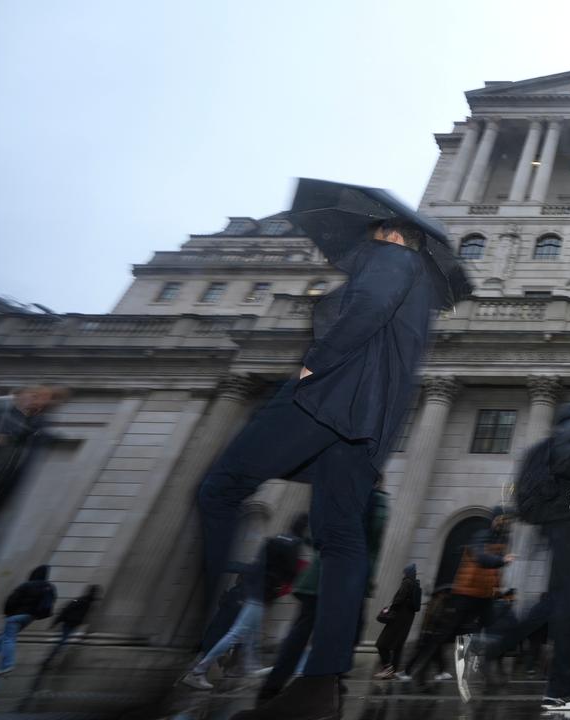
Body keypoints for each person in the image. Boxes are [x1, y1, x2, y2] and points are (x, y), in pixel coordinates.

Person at [198, 217, 440, 719]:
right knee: (341, 539)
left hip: (326, 396)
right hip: (367, 424)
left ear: (394, 235)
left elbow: (369, 306)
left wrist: (318, 359)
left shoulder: (393, 258)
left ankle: (206, 626)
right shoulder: (423, 291)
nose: (365, 245)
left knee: (219, 489)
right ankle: (322, 682)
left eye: (373, 236)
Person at [474, 387, 570, 712]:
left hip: (560, 519)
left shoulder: (567, 428)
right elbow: (568, 463)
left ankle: (491, 645)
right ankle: (562, 689)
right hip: (566, 520)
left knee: (556, 601)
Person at [255, 479, 388, 705]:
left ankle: (273, 685)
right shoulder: (376, 501)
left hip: (319, 574)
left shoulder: (341, 496)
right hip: (346, 579)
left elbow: (315, 535)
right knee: (346, 634)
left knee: (301, 633)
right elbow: (373, 541)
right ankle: (327, 683)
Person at [182, 515, 308, 689]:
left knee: (250, 635)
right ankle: (198, 671)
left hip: (254, 590)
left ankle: (251, 669)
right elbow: (291, 572)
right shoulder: (294, 544)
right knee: (237, 633)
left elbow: (258, 565)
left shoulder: (275, 539)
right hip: (262, 593)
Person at [404, 507, 513, 687]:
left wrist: (497, 587)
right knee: (444, 634)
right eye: (502, 519)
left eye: (507, 520)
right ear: (495, 519)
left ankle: (489, 674)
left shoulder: (501, 540)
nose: (505, 523)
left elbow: (493, 571)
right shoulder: (482, 535)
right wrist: (502, 560)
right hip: (466, 593)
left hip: (484, 596)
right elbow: (481, 558)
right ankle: (419, 672)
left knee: (494, 632)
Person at [0, 386, 67, 527]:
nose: (39, 402)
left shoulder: (35, 423)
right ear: (19, 395)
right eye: (34, 396)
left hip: (1, 484)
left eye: (45, 400)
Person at [0, 565, 55, 677]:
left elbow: (12, 599)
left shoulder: (27, 585)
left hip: (16, 616)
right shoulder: (49, 587)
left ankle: (7, 665)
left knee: (8, 639)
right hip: (29, 617)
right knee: (2, 639)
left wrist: (7, 613)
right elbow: (48, 605)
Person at [373, 563, 421, 679]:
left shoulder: (407, 582)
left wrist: (390, 609)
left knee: (381, 644)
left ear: (407, 573)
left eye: (404, 572)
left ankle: (387, 669)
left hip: (398, 618)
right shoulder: (416, 585)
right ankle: (392, 671)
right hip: (407, 620)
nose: (403, 574)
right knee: (398, 646)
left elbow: (399, 599)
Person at [41, 584, 100, 671]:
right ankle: (48, 660)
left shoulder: (85, 601)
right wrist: (57, 621)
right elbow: (67, 610)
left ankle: (49, 660)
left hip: (71, 623)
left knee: (62, 642)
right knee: (62, 642)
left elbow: (67, 609)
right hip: (69, 623)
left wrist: (57, 621)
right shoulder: (84, 601)